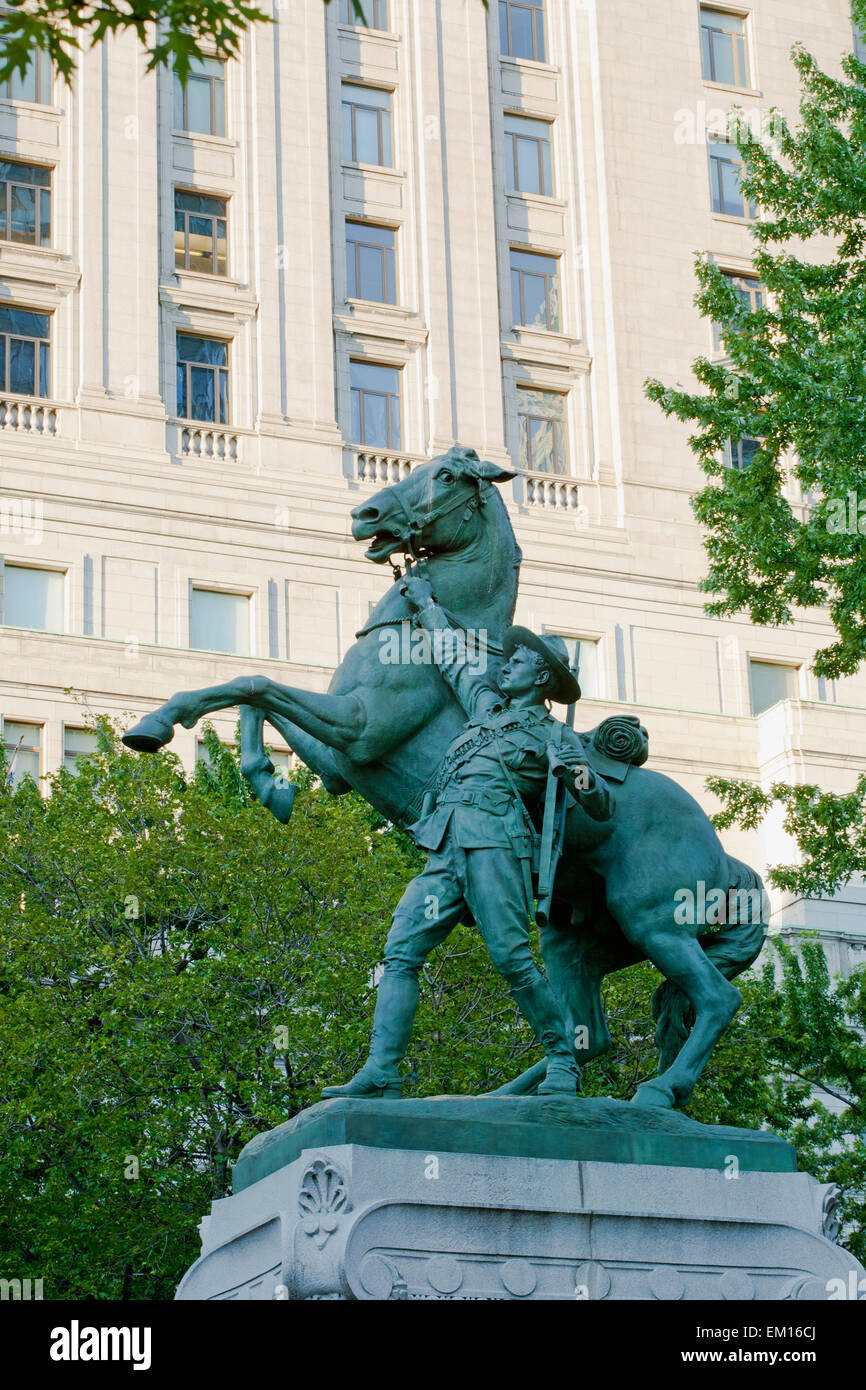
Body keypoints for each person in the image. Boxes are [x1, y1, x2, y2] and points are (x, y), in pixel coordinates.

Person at [322, 571, 615, 1100]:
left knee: (512, 959)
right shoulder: (485, 708)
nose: (508, 663)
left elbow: (599, 804)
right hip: (446, 845)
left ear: (543, 678)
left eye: (520, 661)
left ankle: (563, 1063)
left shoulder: (555, 735)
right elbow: (454, 657)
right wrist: (426, 602)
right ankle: (382, 1070)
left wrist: (582, 774)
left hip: (497, 847)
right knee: (400, 951)